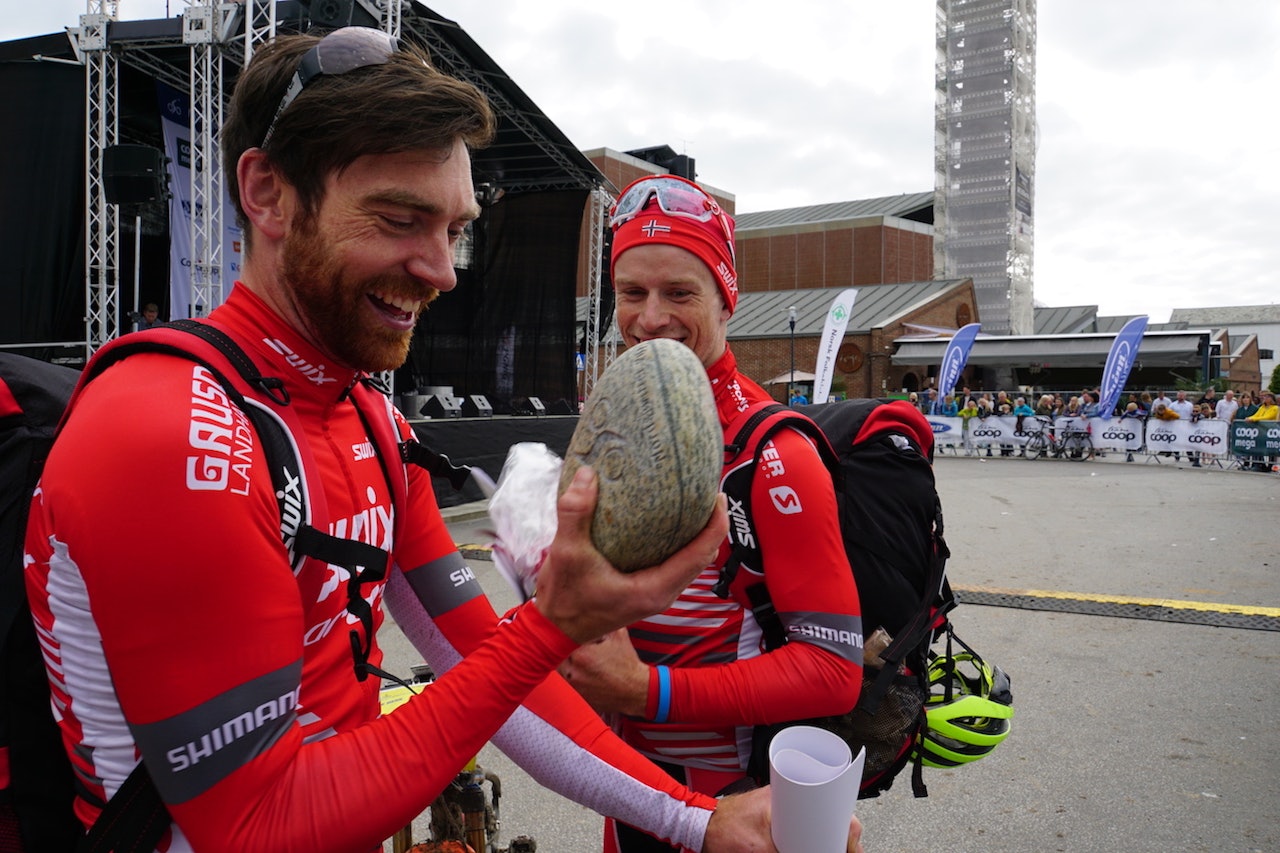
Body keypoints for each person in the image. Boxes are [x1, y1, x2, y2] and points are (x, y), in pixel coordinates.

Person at [23, 30, 863, 853]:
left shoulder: (375, 427)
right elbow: (255, 825)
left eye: (454, 228)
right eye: (400, 219)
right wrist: (553, 626)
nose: (441, 267)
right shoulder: (165, 431)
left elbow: (493, 665)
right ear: (268, 193)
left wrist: (699, 820)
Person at [555, 174, 864, 852]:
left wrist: (647, 690)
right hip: (632, 788)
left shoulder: (774, 451)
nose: (651, 316)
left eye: (680, 292)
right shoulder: (619, 422)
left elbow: (834, 669)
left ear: (727, 300)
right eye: (632, 292)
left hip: (735, 799)